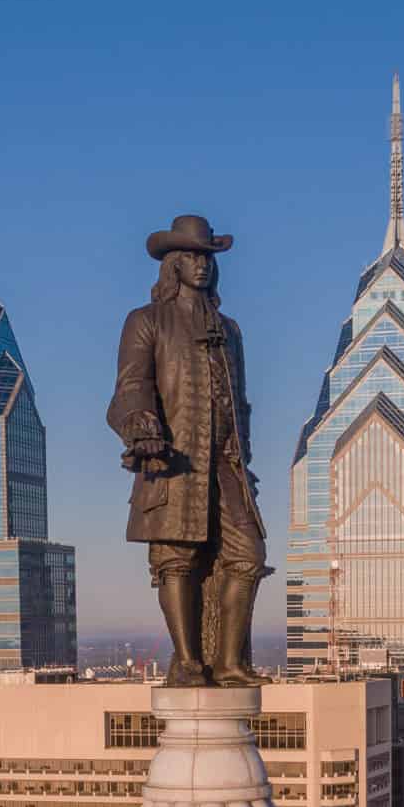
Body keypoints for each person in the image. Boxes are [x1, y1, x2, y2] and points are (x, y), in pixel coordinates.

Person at [108, 213, 265, 686]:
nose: (202, 266)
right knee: (176, 560)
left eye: (209, 258)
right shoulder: (146, 321)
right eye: (192, 256)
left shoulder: (229, 330)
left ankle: (229, 661)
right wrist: (140, 425)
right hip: (174, 463)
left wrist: (244, 453)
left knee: (248, 555)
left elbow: (240, 401)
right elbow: (130, 387)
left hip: (226, 465)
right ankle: (189, 661)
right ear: (173, 264)